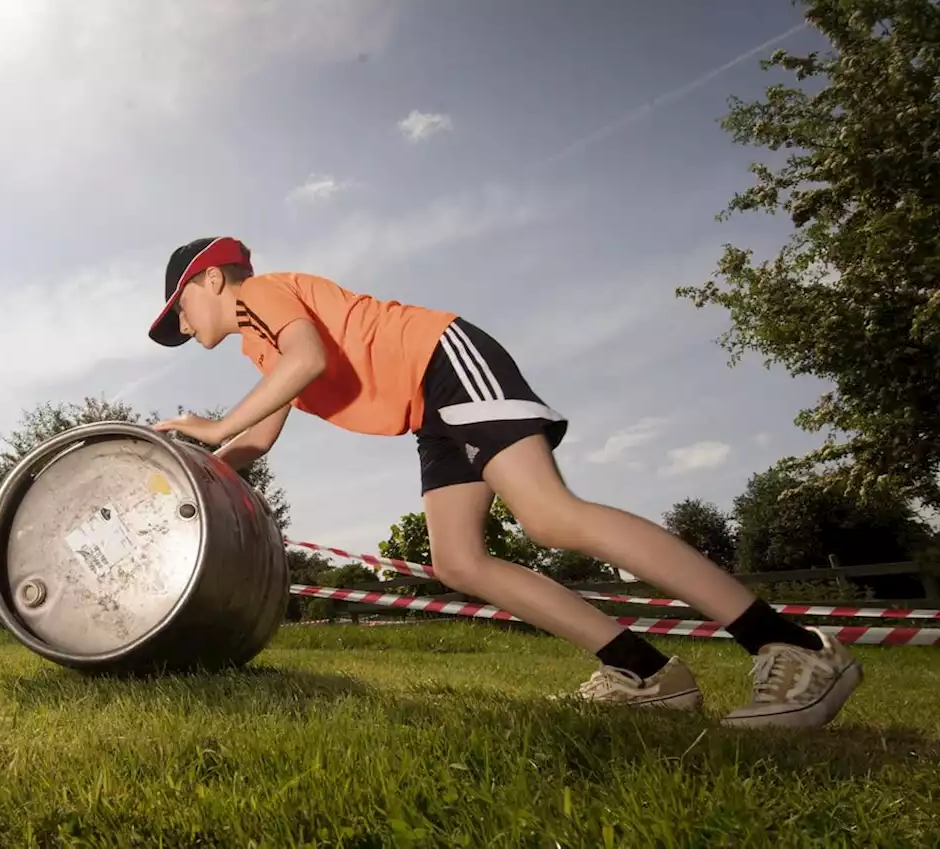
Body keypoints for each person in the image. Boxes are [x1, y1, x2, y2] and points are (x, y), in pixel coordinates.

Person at [148, 236, 863, 730]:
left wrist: (211, 430)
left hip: (445, 359)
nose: (182, 322)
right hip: (427, 406)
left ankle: (790, 646)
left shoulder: (265, 295)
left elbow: (302, 363)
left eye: (181, 306)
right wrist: (190, 461)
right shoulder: (256, 345)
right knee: (458, 559)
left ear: (213, 277)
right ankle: (645, 673)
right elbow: (260, 433)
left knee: (549, 515)